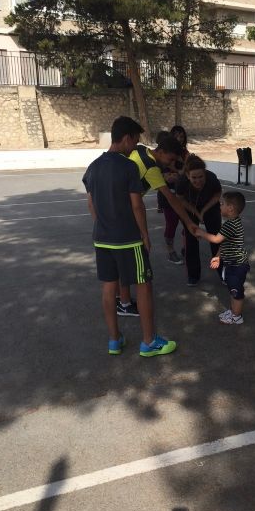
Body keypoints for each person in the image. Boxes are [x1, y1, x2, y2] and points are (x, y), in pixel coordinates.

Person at [82, 116, 176, 357]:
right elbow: (137, 206)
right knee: (144, 286)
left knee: (108, 287)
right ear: (125, 139)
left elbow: (90, 202)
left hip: (102, 238)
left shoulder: (93, 166)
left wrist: (102, 225)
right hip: (128, 239)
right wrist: (144, 234)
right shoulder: (128, 167)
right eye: (134, 141)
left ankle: (114, 340)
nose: (135, 146)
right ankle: (148, 341)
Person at [116, 130, 198, 315]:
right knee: (135, 263)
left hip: (112, 212)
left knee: (118, 259)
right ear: (160, 151)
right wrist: (188, 222)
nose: (170, 164)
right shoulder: (152, 167)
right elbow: (171, 198)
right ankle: (126, 304)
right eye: (169, 159)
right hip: (126, 215)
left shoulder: (140, 150)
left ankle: (119, 297)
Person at [196, 191, 249, 325]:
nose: (220, 206)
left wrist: (200, 232)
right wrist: (218, 257)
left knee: (236, 291)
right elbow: (224, 243)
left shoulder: (230, 225)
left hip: (236, 265)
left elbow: (215, 239)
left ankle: (236, 317)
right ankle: (233, 311)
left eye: (222, 204)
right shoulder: (233, 222)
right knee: (232, 289)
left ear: (230, 208)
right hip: (233, 263)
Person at [176, 155, 222, 286]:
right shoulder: (181, 182)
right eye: (194, 178)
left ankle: (223, 271)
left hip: (210, 206)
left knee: (216, 238)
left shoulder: (211, 178)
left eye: (201, 177)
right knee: (191, 240)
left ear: (205, 173)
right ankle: (193, 275)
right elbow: (180, 199)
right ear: (187, 175)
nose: (198, 181)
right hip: (190, 207)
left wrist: (203, 211)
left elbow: (217, 194)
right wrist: (196, 212)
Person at [158, 126, 190, 264]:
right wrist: (174, 174)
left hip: (184, 194)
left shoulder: (185, 154)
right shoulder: (164, 155)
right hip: (168, 194)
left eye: (182, 136)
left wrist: (178, 172)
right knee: (171, 224)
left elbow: (189, 173)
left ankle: (186, 248)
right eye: (177, 136)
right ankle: (171, 252)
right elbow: (163, 176)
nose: (180, 139)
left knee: (187, 223)